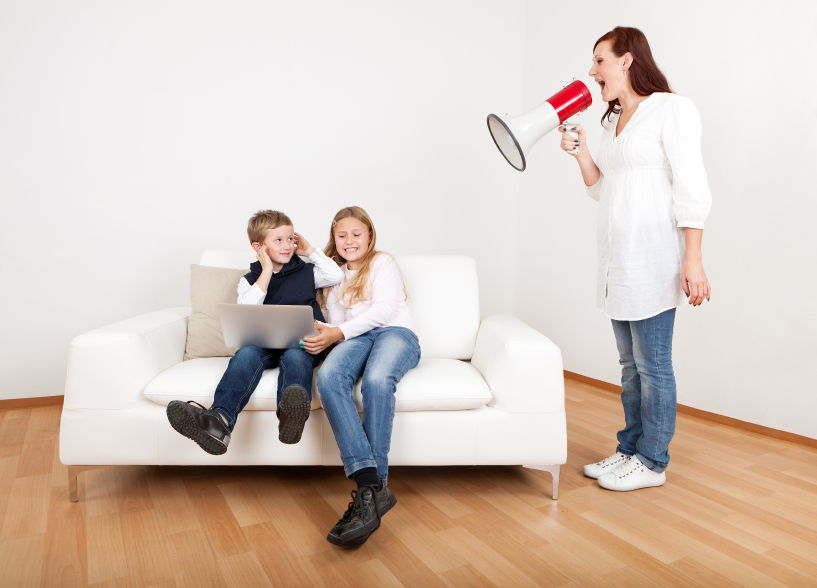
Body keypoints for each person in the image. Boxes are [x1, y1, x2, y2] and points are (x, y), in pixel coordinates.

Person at [560, 27, 712, 491]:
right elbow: (603, 189)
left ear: (627, 60)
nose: (591, 71)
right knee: (629, 366)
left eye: (598, 61)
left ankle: (652, 461)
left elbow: (692, 188)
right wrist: (583, 152)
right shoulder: (612, 121)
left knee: (653, 365)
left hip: (654, 258)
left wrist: (694, 260)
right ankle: (629, 449)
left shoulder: (671, 109)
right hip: (617, 262)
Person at [166, 209, 344, 453]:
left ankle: (289, 417)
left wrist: (309, 250)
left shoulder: (307, 271)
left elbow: (335, 275)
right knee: (246, 354)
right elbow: (247, 307)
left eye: (290, 238)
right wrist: (267, 270)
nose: (287, 245)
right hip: (264, 344)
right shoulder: (250, 278)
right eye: (278, 240)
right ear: (258, 247)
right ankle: (219, 422)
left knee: (295, 357)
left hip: (302, 343)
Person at [300, 206, 420, 547]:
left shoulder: (383, 263)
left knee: (377, 381)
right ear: (333, 239)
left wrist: (336, 332)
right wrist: (323, 333)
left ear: (369, 236)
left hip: (395, 333)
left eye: (356, 234)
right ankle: (371, 487)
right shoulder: (334, 275)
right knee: (329, 378)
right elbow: (339, 322)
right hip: (356, 337)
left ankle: (373, 488)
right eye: (341, 235)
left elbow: (383, 311)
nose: (349, 241)